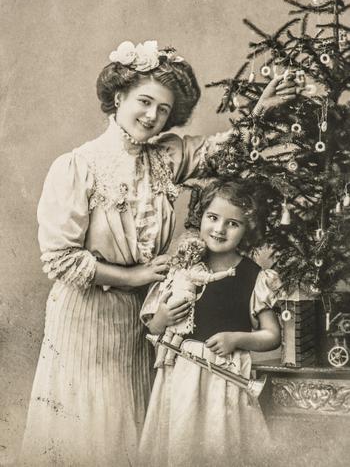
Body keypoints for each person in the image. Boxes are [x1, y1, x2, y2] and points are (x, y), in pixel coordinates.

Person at [20, 40, 294, 467]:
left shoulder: (165, 157)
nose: (152, 116)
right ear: (118, 97)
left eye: (163, 109)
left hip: (145, 317)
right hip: (88, 315)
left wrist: (260, 111)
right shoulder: (77, 166)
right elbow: (60, 259)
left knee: (142, 428)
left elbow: (223, 149)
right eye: (144, 102)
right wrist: (137, 276)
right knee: (91, 426)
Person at [139, 179, 282, 467]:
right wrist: (163, 318)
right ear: (200, 217)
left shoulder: (254, 275)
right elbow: (153, 329)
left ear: (247, 230)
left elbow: (272, 336)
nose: (219, 229)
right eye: (213, 218)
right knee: (181, 446)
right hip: (181, 378)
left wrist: (236, 339)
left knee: (221, 446)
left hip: (223, 379)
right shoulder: (183, 266)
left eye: (233, 224)